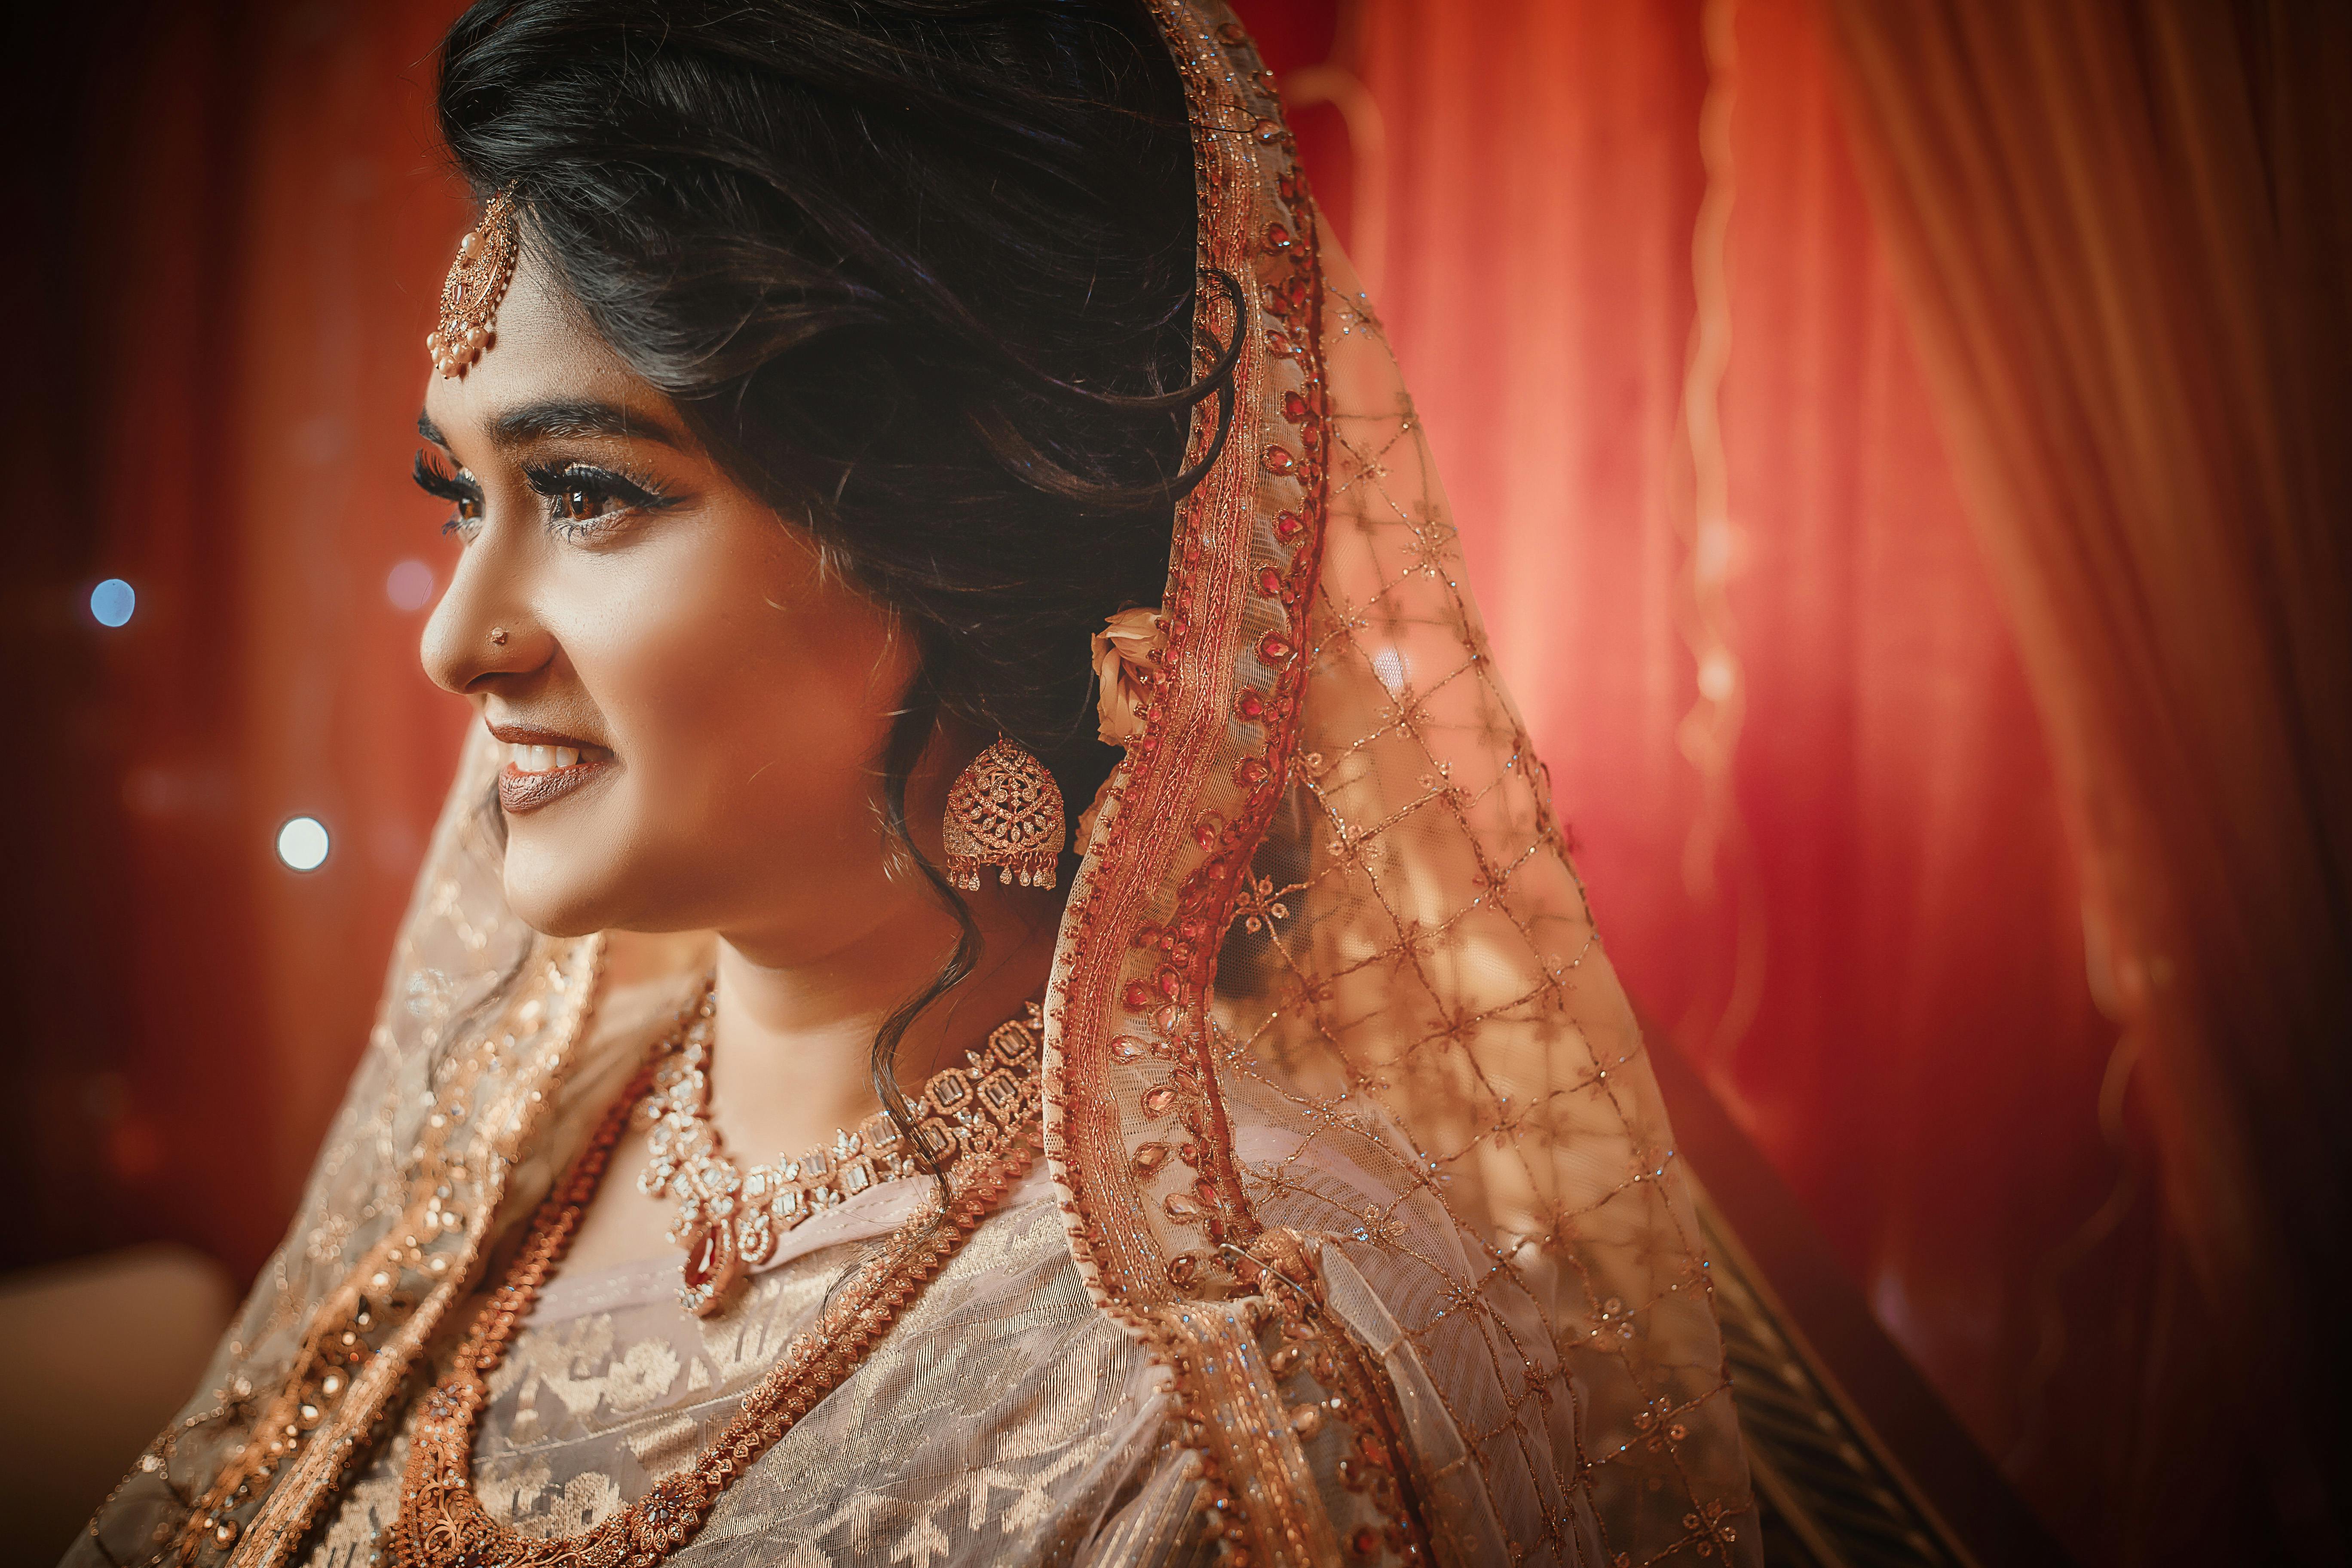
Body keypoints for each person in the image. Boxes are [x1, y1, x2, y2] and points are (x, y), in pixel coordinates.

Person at [74, 2, 1755, 1563]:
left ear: (945, 557)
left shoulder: (1258, 1400)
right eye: (466, 498)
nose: (458, 639)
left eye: (587, 494)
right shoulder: (507, 1143)